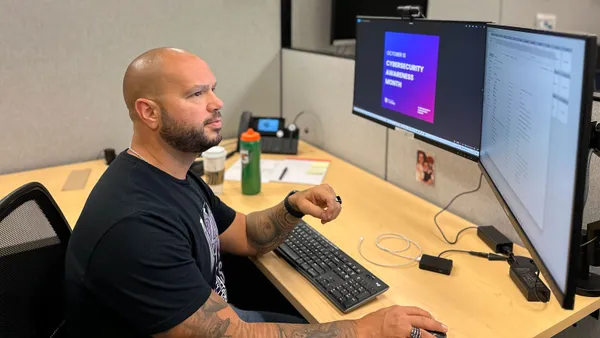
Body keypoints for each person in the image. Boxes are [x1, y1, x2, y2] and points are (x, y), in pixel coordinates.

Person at [64, 47, 448, 338]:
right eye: (196, 95)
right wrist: (364, 329)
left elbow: (245, 234)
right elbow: (239, 335)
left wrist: (293, 207)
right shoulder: (136, 224)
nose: (217, 103)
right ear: (149, 113)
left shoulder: (171, 173)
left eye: (213, 89)